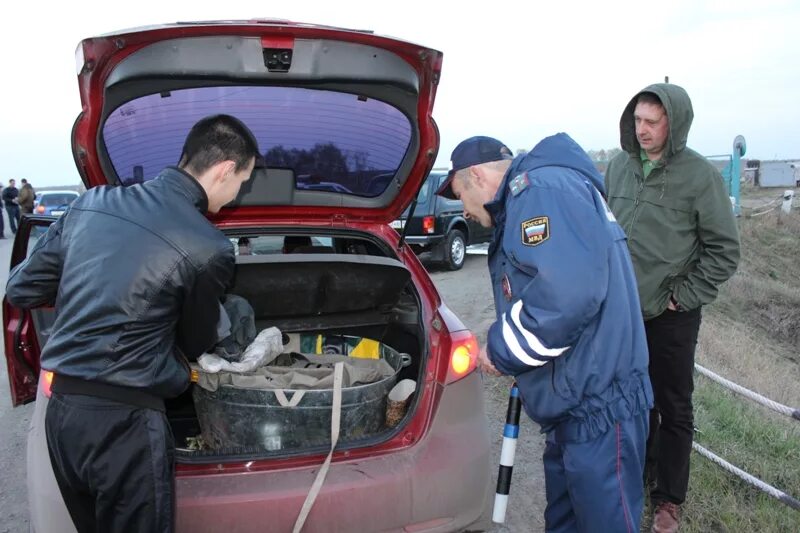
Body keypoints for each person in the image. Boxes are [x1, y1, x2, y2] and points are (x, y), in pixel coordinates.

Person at [5, 114, 259, 533]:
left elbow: (21, 290)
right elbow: (195, 342)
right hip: (125, 425)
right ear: (225, 169)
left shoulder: (90, 203)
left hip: (62, 414)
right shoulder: (208, 245)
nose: (236, 195)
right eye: (242, 182)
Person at [437, 134, 653, 532]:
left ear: (478, 176)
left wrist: (500, 351)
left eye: (459, 195)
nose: (462, 210)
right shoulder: (538, 194)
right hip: (574, 405)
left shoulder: (540, 194)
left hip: (599, 407)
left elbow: (564, 299)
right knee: (565, 523)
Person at [604, 83, 740, 533]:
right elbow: (605, 228)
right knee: (631, 400)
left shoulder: (700, 176)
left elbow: (724, 251)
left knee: (674, 406)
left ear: (673, 123)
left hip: (672, 314)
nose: (641, 130)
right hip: (624, 311)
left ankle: (668, 501)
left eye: (652, 122)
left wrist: (683, 294)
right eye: (637, 121)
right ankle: (636, 475)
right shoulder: (619, 168)